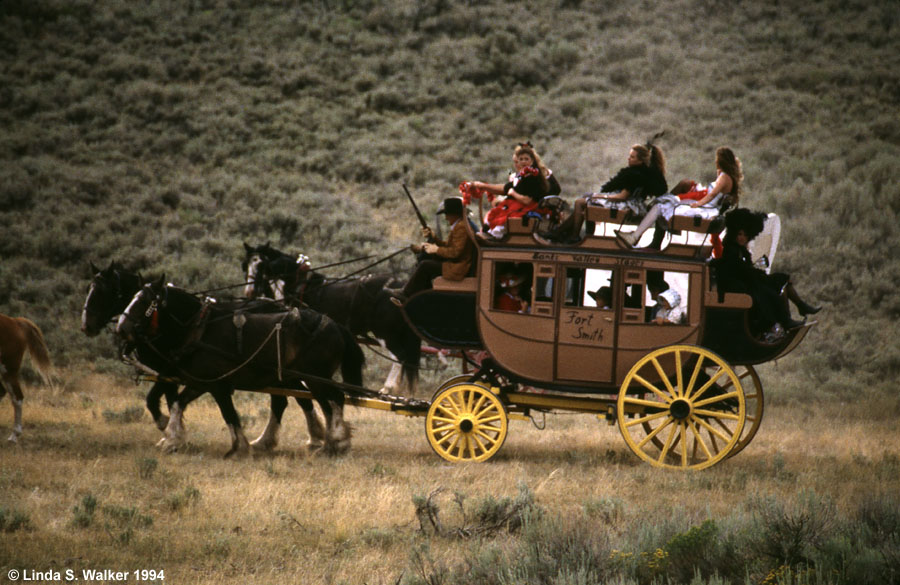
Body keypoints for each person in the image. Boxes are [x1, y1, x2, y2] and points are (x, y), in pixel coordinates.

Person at [714, 208, 821, 340]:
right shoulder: (731, 251)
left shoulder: (741, 251)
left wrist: (758, 274)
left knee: (782, 280)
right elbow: (741, 271)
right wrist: (758, 275)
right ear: (734, 234)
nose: (742, 238)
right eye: (739, 234)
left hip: (748, 281)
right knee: (767, 292)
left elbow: (746, 270)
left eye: (745, 235)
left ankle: (799, 307)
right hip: (739, 286)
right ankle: (783, 322)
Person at [535, 141, 668, 245]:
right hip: (631, 203)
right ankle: (561, 232)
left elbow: (622, 196)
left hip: (626, 204)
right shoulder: (644, 173)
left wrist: (599, 196)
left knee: (581, 202)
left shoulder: (634, 174)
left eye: (632, 157)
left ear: (640, 160)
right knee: (585, 201)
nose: (628, 159)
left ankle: (573, 235)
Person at [616, 146, 741, 249]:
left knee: (660, 206)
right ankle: (642, 238)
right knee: (665, 203)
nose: (715, 161)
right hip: (708, 207)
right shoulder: (726, 176)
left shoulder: (725, 177)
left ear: (722, 160)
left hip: (705, 208)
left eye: (717, 159)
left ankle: (635, 237)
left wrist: (697, 204)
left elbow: (712, 194)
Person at [393, 197, 475, 303]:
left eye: (447, 214)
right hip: (456, 263)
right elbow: (449, 246)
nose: (446, 218)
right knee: (427, 260)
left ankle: (406, 294)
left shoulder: (461, 227)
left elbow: (455, 252)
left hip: (458, 267)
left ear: (454, 214)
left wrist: (436, 250)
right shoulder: (460, 226)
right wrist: (434, 238)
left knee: (425, 265)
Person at [467, 142, 555, 240]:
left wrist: (513, 193)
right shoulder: (523, 176)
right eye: (519, 160)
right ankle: (490, 232)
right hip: (522, 203)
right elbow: (506, 188)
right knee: (498, 210)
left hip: (529, 206)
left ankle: (496, 235)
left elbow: (526, 199)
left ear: (532, 160)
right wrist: (483, 186)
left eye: (526, 159)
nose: (521, 163)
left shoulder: (534, 176)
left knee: (506, 213)